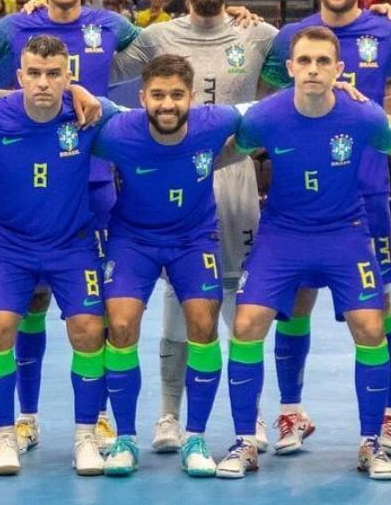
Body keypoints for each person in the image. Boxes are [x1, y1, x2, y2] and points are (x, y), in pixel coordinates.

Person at [216, 26, 391, 480]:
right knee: (247, 325)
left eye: (322, 62)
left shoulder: (362, 116)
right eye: (304, 61)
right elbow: (226, 154)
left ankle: (371, 444)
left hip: (344, 234)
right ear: (290, 68)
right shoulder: (265, 116)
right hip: (282, 235)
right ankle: (245, 441)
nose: (312, 69)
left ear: (339, 69)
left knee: (371, 327)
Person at [259, 0, 391, 456]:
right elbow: (268, 89)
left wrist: (384, 107)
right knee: (295, 303)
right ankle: (290, 412)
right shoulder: (291, 37)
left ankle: (389, 415)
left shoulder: (388, 31)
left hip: (367, 191)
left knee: (380, 306)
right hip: (299, 198)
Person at [0, 0, 142, 452]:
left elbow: (157, 46)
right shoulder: (11, 27)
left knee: (95, 312)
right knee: (24, 304)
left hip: (91, 182)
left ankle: (99, 421)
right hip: (24, 175)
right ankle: (23, 418)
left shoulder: (112, 25)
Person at [0, 35, 119, 476]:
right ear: (20, 76)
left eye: (54, 75)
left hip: (72, 245)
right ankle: (5, 436)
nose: (44, 83)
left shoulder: (89, 114)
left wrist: (86, 96)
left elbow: (155, 119)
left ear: (68, 77)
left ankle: (85, 436)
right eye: (34, 74)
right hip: (11, 247)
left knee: (88, 328)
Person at [91, 55, 246, 476]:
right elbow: (70, 114)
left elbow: (273, 111)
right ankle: (124, 438)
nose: (167, 104)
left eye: (177, 95)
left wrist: (338, 90)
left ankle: (194, 437)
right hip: (132, 240)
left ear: (191, 98)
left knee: (203, 325)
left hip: (193, 239)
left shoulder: (216, 122)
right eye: (157, 95)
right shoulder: (117, 131)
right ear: (141, 97)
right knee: (120, 327)